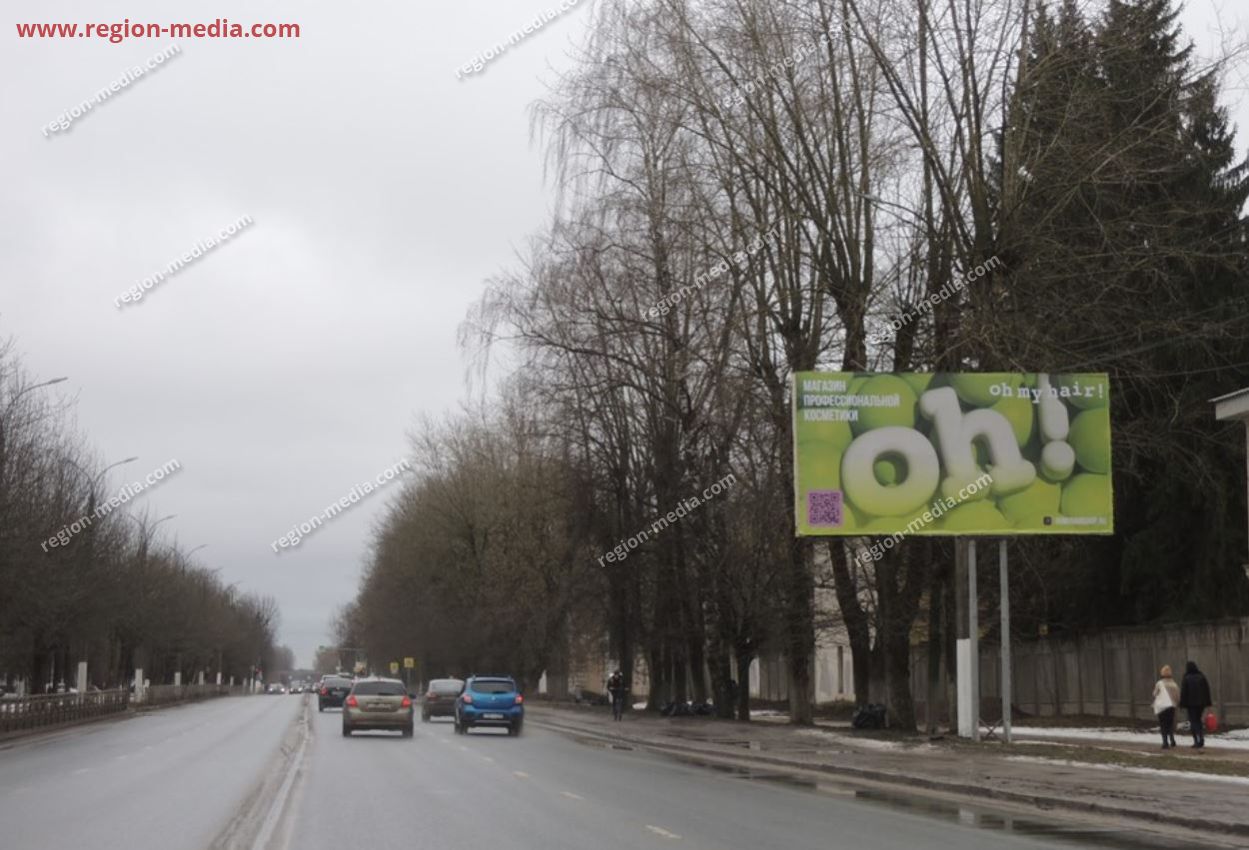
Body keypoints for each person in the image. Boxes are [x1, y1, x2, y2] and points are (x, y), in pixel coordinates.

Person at [1178, 660, 1213, 749]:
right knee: (1198, 720)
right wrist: (1208, 703)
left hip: (1191, 704)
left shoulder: (1186, 678)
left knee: (1193, 722)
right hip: (1201, 704)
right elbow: (1206, 690)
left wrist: (1182, 704)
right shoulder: (1202, 677)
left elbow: (1184, 692)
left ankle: (1196, 740)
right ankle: (1201, 737)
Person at [1151, 665, 1179, 749]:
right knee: (1170, 724)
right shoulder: (1174, 684)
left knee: (1163, 724)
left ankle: (1165, 742)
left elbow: (1154, 694)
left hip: (1162, 707)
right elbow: (1177, 696)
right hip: (1171, 706)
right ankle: (1172, 740)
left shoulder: (1160, 683)